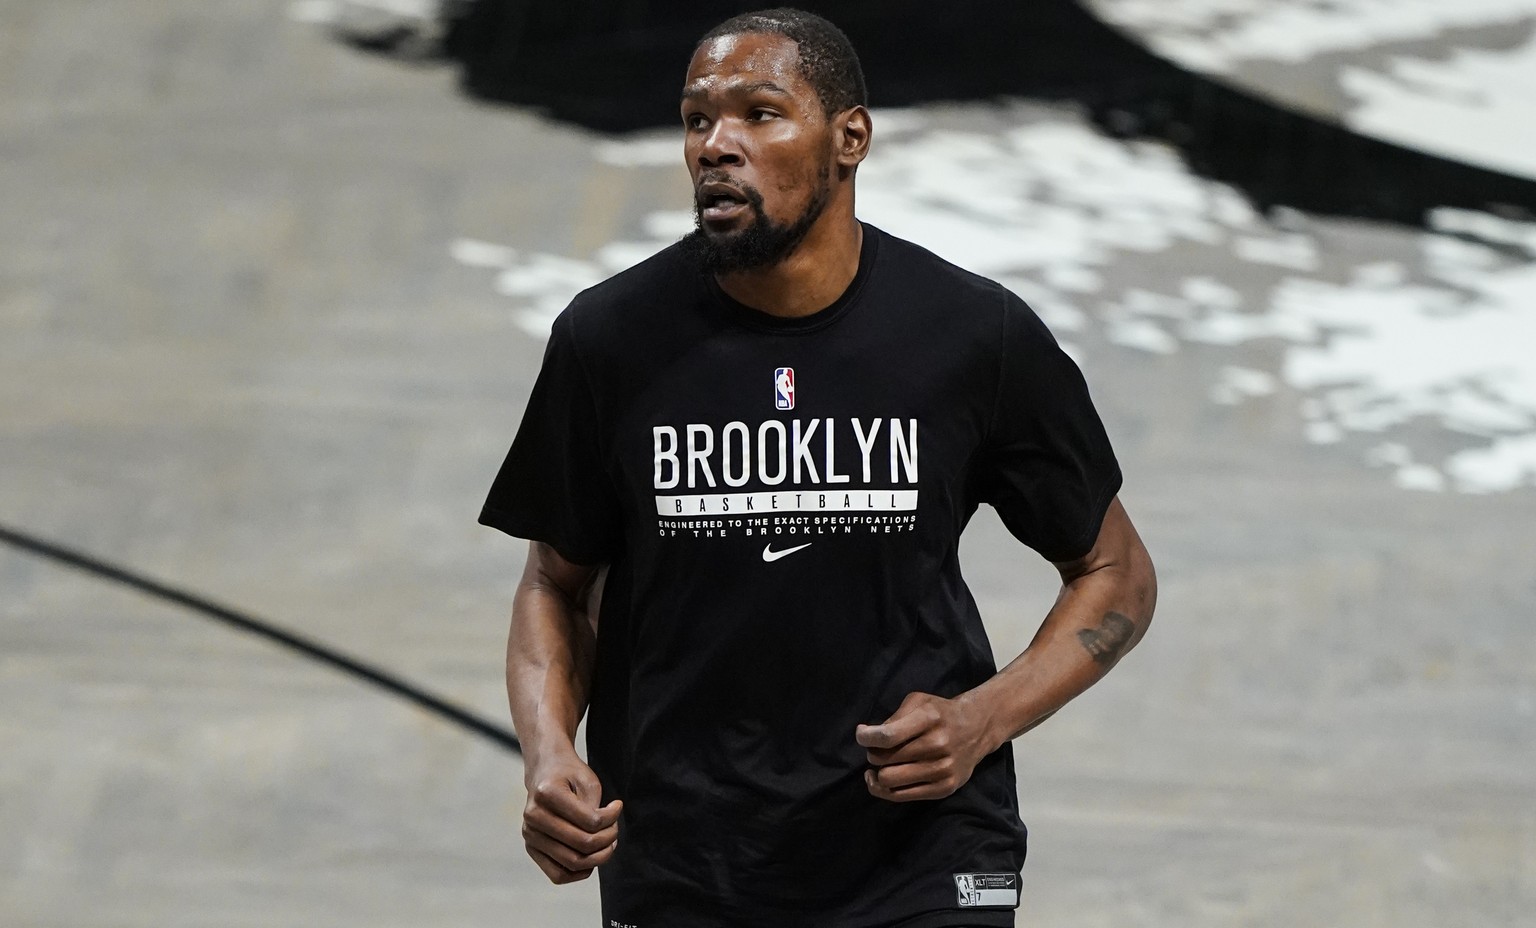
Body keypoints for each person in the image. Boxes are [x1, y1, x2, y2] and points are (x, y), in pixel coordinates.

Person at [479, 8, 1157, 927]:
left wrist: (982, 719)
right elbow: (554, 585)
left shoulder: (971, 337)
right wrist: (550, 752)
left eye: (760, 113)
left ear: (850, 138)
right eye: (696, 119)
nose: (718, 145)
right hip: (688, 855)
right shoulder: (611, 342)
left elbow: (1116, 577)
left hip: (922, 848)